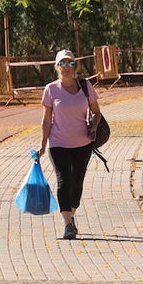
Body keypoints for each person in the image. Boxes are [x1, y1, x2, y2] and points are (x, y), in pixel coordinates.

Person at [38, 49, 102, 240]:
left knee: (77, 184)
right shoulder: (51, 89)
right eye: (62, 63)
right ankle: (67, 223)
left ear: (76, 66)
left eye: (70, 63)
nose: (67, 67)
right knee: (64, 181)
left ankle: (71, 214)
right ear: (56, 67)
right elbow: (46, 120)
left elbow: (96, 112)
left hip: (83, 143)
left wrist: (94, 127)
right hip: (58, 143)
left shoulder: (85, 86)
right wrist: (42, 145)